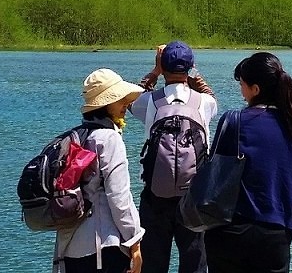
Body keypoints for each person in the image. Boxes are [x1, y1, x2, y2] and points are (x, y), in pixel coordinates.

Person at [203, 52, 292, 273]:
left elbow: (213, 177)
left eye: (243, 84)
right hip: (276, 233)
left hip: (229, 229)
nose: (241, 91)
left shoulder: (234, 121)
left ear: (256, 90)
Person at [132, 41, 218, 273]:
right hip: (193, 196)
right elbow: (210, 95)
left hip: (154, 196)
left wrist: (154, 71)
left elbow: (130, 98)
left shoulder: (149, 101)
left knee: (152, 263)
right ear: (190, 68)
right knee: (194, 263)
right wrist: (195, 72)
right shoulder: (204, 102)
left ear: (163, 66)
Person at [56, 68, 145, 273]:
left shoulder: (76, 136)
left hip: (72, 246)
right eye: (119, 98)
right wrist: (135, 241)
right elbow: (119, 197)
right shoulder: (109, 139)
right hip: (104, 247)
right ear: (105, 104)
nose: (126, 103)